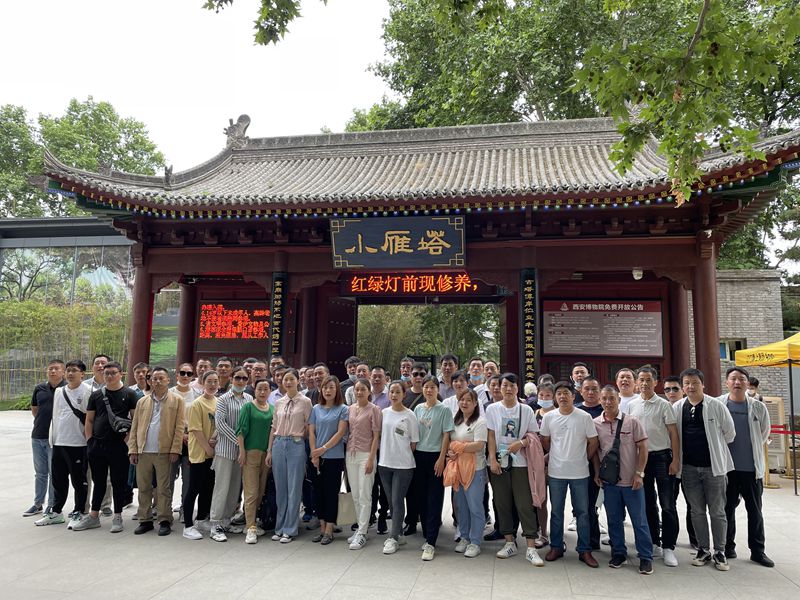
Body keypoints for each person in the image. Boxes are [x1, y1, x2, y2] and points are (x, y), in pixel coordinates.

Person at [674, 367, 735, 571]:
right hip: (689, 468)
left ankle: (720, 551)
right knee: (697, 511)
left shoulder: (716, 405)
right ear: (683, 387)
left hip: (713, 468)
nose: (691, 387)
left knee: (717, 511)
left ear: (703, 385)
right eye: (687, 383)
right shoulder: (678, 407)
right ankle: (703, 549)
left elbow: (730, 433)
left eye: (695, 383)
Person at [593, 386, 653, 574]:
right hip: (610, 483)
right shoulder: (595, 424)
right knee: (614, 520)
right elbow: (595, 452)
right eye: (604, 398)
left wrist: (639, 473)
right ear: (600, 400)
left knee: (639, 521)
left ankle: (645, 556)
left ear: (619, 400)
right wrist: (597, 473)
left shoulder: (632, 421)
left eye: (611, 398)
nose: (608, 402)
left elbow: (643, 448)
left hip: (631, 482)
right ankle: (619, 552)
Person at [486, 373, 544, 565]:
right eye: (504, 385)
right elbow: (491, 436)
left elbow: (533, 436)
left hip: (521, 463)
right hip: (499, 462)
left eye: (512, 385)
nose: (508, 389)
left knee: (524, 504)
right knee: (502, 502)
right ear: (499, 388)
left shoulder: (525, 410)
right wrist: (492, 460)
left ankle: (531, 547)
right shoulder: (493, 409)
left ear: (518, 388)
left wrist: (521, 443)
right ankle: (509, 542)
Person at [74, 361, 138, 532]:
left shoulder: (130, 394)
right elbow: (89, 420)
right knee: (99, 482)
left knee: (118, 482)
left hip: (119, 446)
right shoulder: (96, 395)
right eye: (106, 373)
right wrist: (90, 441)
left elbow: (135, 421)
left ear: (121, 374)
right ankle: (94, 516)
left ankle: (118, 516)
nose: (109, 376)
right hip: (97, 445)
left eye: (113, 373)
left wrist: (127, 441)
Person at [540, 381, 599, 567]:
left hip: (580, 473)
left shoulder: (584, 417)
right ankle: (556, 546)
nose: (562, 396)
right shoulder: (549, 417)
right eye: (559, 394)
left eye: (566, 393)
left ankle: (584, 549)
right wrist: (555, 455)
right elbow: (545, 440)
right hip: (556, 472)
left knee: (582, 512)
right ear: (555, 398)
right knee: (556, 512)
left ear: (574, 396)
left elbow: (593, 442)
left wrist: (583, 457)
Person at [628, 366, 680, 567]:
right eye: (641, 379)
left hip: (662, 458)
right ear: (637, 382)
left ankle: (669, 547)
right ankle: (653, 542)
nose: (644, 383)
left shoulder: (664, 405)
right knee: (647, 502)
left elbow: (673, 434)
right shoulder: (632, 405)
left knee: (667, 504)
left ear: (656, 382)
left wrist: (675, 460)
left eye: (648, 379)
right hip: (641, 459)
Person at [721, 367, 773, 567]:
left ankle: (758, 551)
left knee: (755, 511)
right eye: (733, 379)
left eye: (741, 379)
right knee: (726, 509)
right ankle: (727, 546)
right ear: (727, 382)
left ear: (747, 383)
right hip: (727, 469)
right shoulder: (718, 404)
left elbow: (763, 433)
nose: (737, 382)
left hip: (751, 469)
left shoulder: (758, 407)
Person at [128, 366, 185, 537]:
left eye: (161, 378)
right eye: (154, 379)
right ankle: (145, 520)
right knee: (144, 487)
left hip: (164, 451)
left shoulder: (177, 400)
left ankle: (165, 519)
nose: (157, 381)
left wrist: (175, 449)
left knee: (163, 488)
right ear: (150, 381)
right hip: (143, 450)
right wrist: (133, 449)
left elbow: (179, 427)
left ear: (168, 380)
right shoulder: (142, 401)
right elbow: (135, 426)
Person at [35, 360, 90, 528]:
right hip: (59, 442)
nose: (70, 373)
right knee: (58, 480)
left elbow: (90, 418)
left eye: (74, 370)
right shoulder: (60, 391)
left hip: (78, 443)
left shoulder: (88, 391)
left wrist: (89, 439)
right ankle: (56, 512)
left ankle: (79, 511)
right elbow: (56, 415)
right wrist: (53, 439)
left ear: (82, 374)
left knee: (78, 481)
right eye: (68, 370)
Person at [267, 368, 312, 543]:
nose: (288, 382)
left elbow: (309, 427)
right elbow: (273, 427)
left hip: (296, 444)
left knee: (294, 487)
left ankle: (290, 529)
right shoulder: (279, 402)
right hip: (278, 443)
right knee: (281, 487)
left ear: (298, 381)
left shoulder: (305, 401)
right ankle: (279, 527)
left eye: (291, 379)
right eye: (285, 379)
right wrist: (269, 450)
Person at [412, 374, 455, 560]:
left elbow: (446, 435)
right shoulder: (418, 409)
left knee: (434, 498)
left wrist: (441, 458)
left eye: (432, 387)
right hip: (419, 456)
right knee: (421, 498)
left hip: (436, 456)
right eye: (426, 387)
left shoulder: (444, 409)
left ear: (438, 389)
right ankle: (426, 534)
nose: (429, 390)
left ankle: (431, 542)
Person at [209, 366, 252, 542]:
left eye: (244, 378)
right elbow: (220, 424)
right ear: (232, 379)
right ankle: (215, 524)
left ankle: (226, 521)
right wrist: (239, 442)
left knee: (234, 488)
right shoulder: (223, 399)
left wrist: (245, 446)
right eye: (237, 378)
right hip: (226, 450)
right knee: (222, 488)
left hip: (242, 453)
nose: (241, 381)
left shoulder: (249, 399)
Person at [379, 380, 420, 555]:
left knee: (397, 500)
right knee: (391, 502)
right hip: (384, 463)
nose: (394, 395)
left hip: (403, 465)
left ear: (404, 394)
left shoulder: (410, 415)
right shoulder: (383, 413)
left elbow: (414, 442)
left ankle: (393, 537)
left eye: (398, 392)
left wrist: (400, 453)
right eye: (392, 392)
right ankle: (399, 534)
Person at [309, 375, 349, 545]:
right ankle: (322, 527)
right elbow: (311, 432)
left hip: (334, 457)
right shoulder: (316, 409)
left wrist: (323, 449)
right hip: (316, 458)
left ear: (337, 389)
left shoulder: (343, 409)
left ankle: (330, 529)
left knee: (331, 493)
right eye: (325, 387)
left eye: (331, 387)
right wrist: (314, 453)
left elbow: (340, 433)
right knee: (318, 493)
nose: (328, 390)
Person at [448, 388, 487, 558]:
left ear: (475, 403)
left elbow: (479, 445)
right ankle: (464, 537)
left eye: (468, 400)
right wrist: (451, 450)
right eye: (462, 399)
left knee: (475, 506)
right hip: (458, 469)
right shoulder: (455, 420)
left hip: (475, 469)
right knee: (461, 506)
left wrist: (458, 447)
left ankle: (475, 541)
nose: (464, 403)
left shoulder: (480, 422)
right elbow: (449, 442)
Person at [25, 359, 64, 517]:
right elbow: (35, 410)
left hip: (55, 438)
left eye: (56, 369)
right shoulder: (39, 388)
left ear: (63, 371)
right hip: (38, 435)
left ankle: (52, 505)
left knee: (54, 473)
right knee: (40, 473)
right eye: (50, 369)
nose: (52, 371)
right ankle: (38, 503)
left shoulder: (66, 389)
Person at [346, 377, 382, 550]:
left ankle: (362, 532)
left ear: (369, 391)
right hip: (350, 455)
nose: (359, 392)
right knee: (355, 494)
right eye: (357, 389)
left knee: (365, 494)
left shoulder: (374, 409)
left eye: (363, 389)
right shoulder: (350, 409)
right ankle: (360, 528)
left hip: (366, 455)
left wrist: (371, 459)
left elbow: (376, 436)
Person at [237, 378, 274, 544]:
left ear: (270, 391)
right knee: (251, 491)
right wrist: (242, 451)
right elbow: (240, 430)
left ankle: (252, 522)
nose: (263, 392)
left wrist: (270, 452)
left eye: (266, 389)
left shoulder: (272, 409)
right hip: (250, 453)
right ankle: (250, 528)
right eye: (260, 389)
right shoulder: (248, 407)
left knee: (260, 491)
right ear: (255, 390)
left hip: (265, 455)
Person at [182, 370, 218, 540]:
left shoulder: (218, 402)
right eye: (209, 381)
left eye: (215, 381)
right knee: (194, 489)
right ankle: (188, 526)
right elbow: (195, 430)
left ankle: (202, 519)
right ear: (202, 383)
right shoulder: (196, 404)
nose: (212, 384)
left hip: (213, 454)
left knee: (208, 488)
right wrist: (208, 449)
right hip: (200, 454)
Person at [663, 374, 698, 549]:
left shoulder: (691, 408)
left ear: (682, 390)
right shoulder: (662, 408)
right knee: (669, 503)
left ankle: (695, 538)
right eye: (667, 389)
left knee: (694, 503)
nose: (671, 392)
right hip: (668, 465)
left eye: (675, 388)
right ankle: (670, 539)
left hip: (690, 463)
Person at [576, 376, 604, 551]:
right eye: (587, 389)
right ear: (581, 391)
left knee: (604, 506)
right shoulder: (576, 410)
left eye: (594, 389)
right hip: (581, 465)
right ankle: (589, 540)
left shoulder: (606, 409)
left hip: (607, 464)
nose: (591, 392)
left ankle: (611, 541)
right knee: (585, 506)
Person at [170, 363, 197, 518]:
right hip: (172, 439)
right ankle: (164, 509)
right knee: (168, 477)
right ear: (177, 374)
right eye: (182, 373)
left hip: (191, 440)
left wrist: (189, 434)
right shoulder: (169, 393)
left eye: (189, 373)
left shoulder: (197, 394)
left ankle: (184, 509)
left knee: (188, 478)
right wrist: (180, 435)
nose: (185, 376)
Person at [533, 383, 556, 548]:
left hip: (554, 463)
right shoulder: (534, 414)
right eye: (541, 395)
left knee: (556, 501)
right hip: (536, 463)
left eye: (548, 395)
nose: (544, 398)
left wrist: (547, 457)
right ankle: (542, 532)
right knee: (540, 500)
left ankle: (555, 532)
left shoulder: (558, 414)